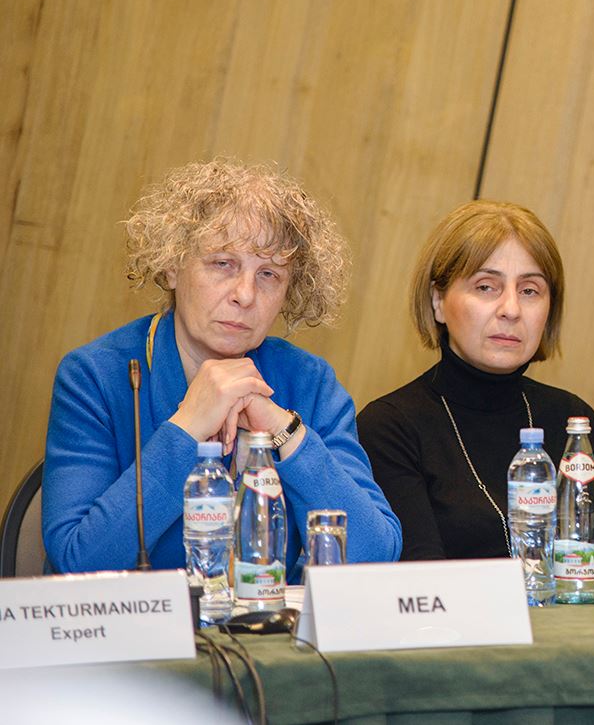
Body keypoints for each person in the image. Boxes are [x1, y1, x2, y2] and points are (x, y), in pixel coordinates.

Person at [43, 159, 402, 577]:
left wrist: (282, 429)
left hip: (270, 619)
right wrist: (186, 428)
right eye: (222, 264)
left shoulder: (310, 383)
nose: (245, 295)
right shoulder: (95, 377)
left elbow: (375, 552)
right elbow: (79, 561)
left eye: (269, 274)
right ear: (172, 265)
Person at [358, 200, 594, 560]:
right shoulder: (390, 427)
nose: (511, 309)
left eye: (529, 290)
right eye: (485, 287)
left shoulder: (573, 423)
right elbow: (424, 579)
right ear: (438, 301)